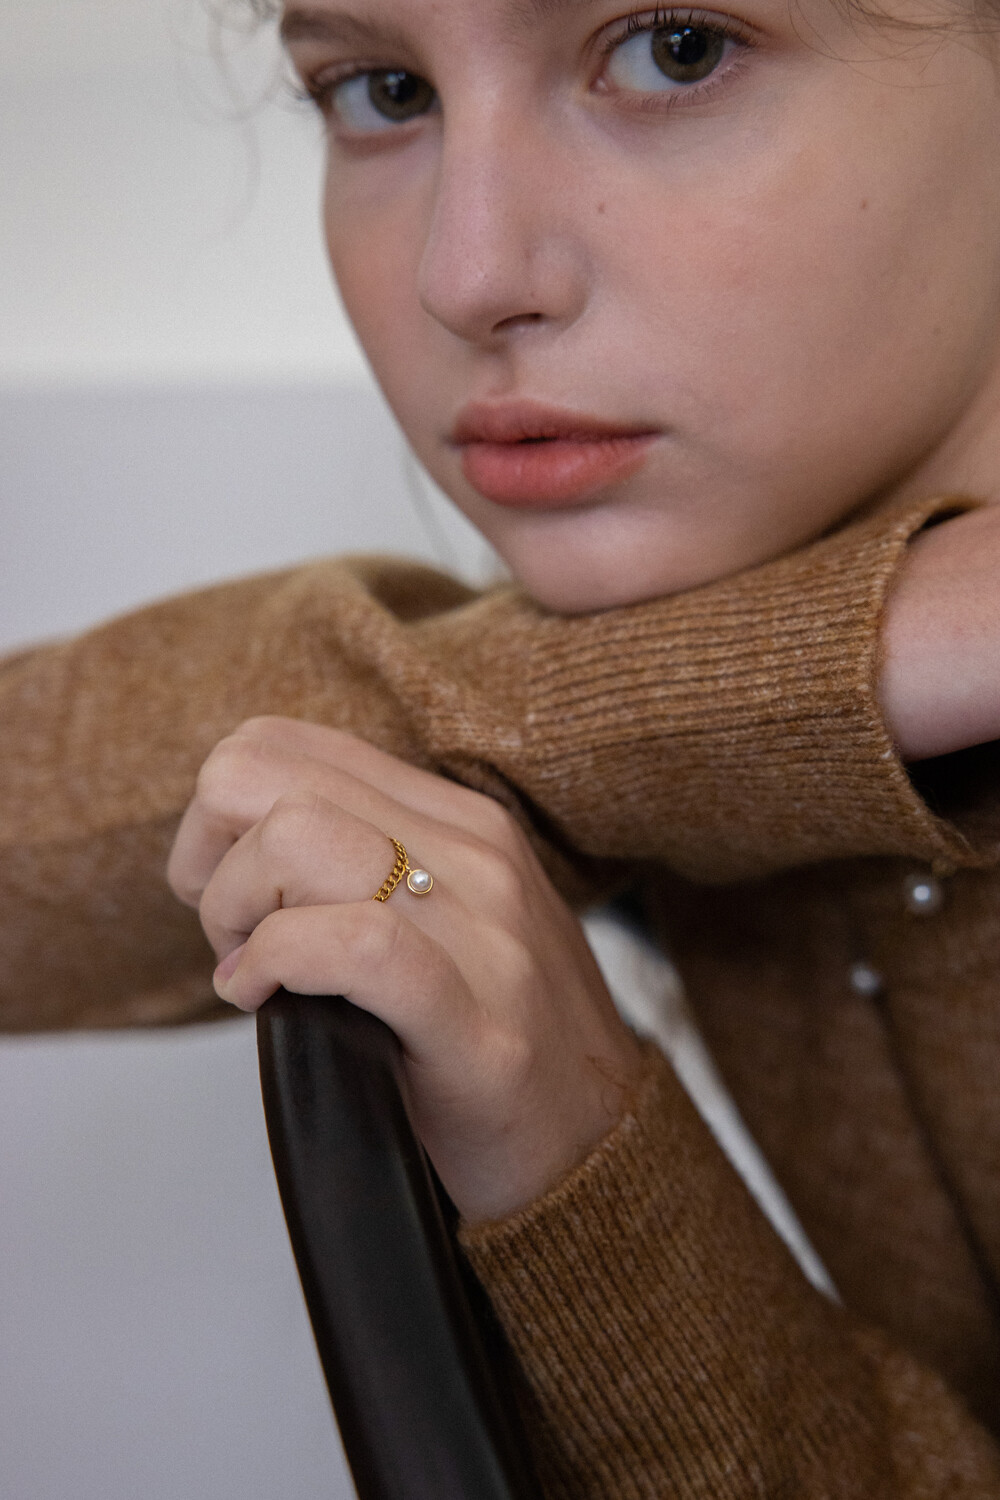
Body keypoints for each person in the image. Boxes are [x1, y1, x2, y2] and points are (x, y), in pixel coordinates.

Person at [5, 0, 1000, 1489]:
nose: (466, 274)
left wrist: (587, 1173)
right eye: (383, 89)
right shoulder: (736, 544)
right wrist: (839, 660)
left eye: (675, 49)